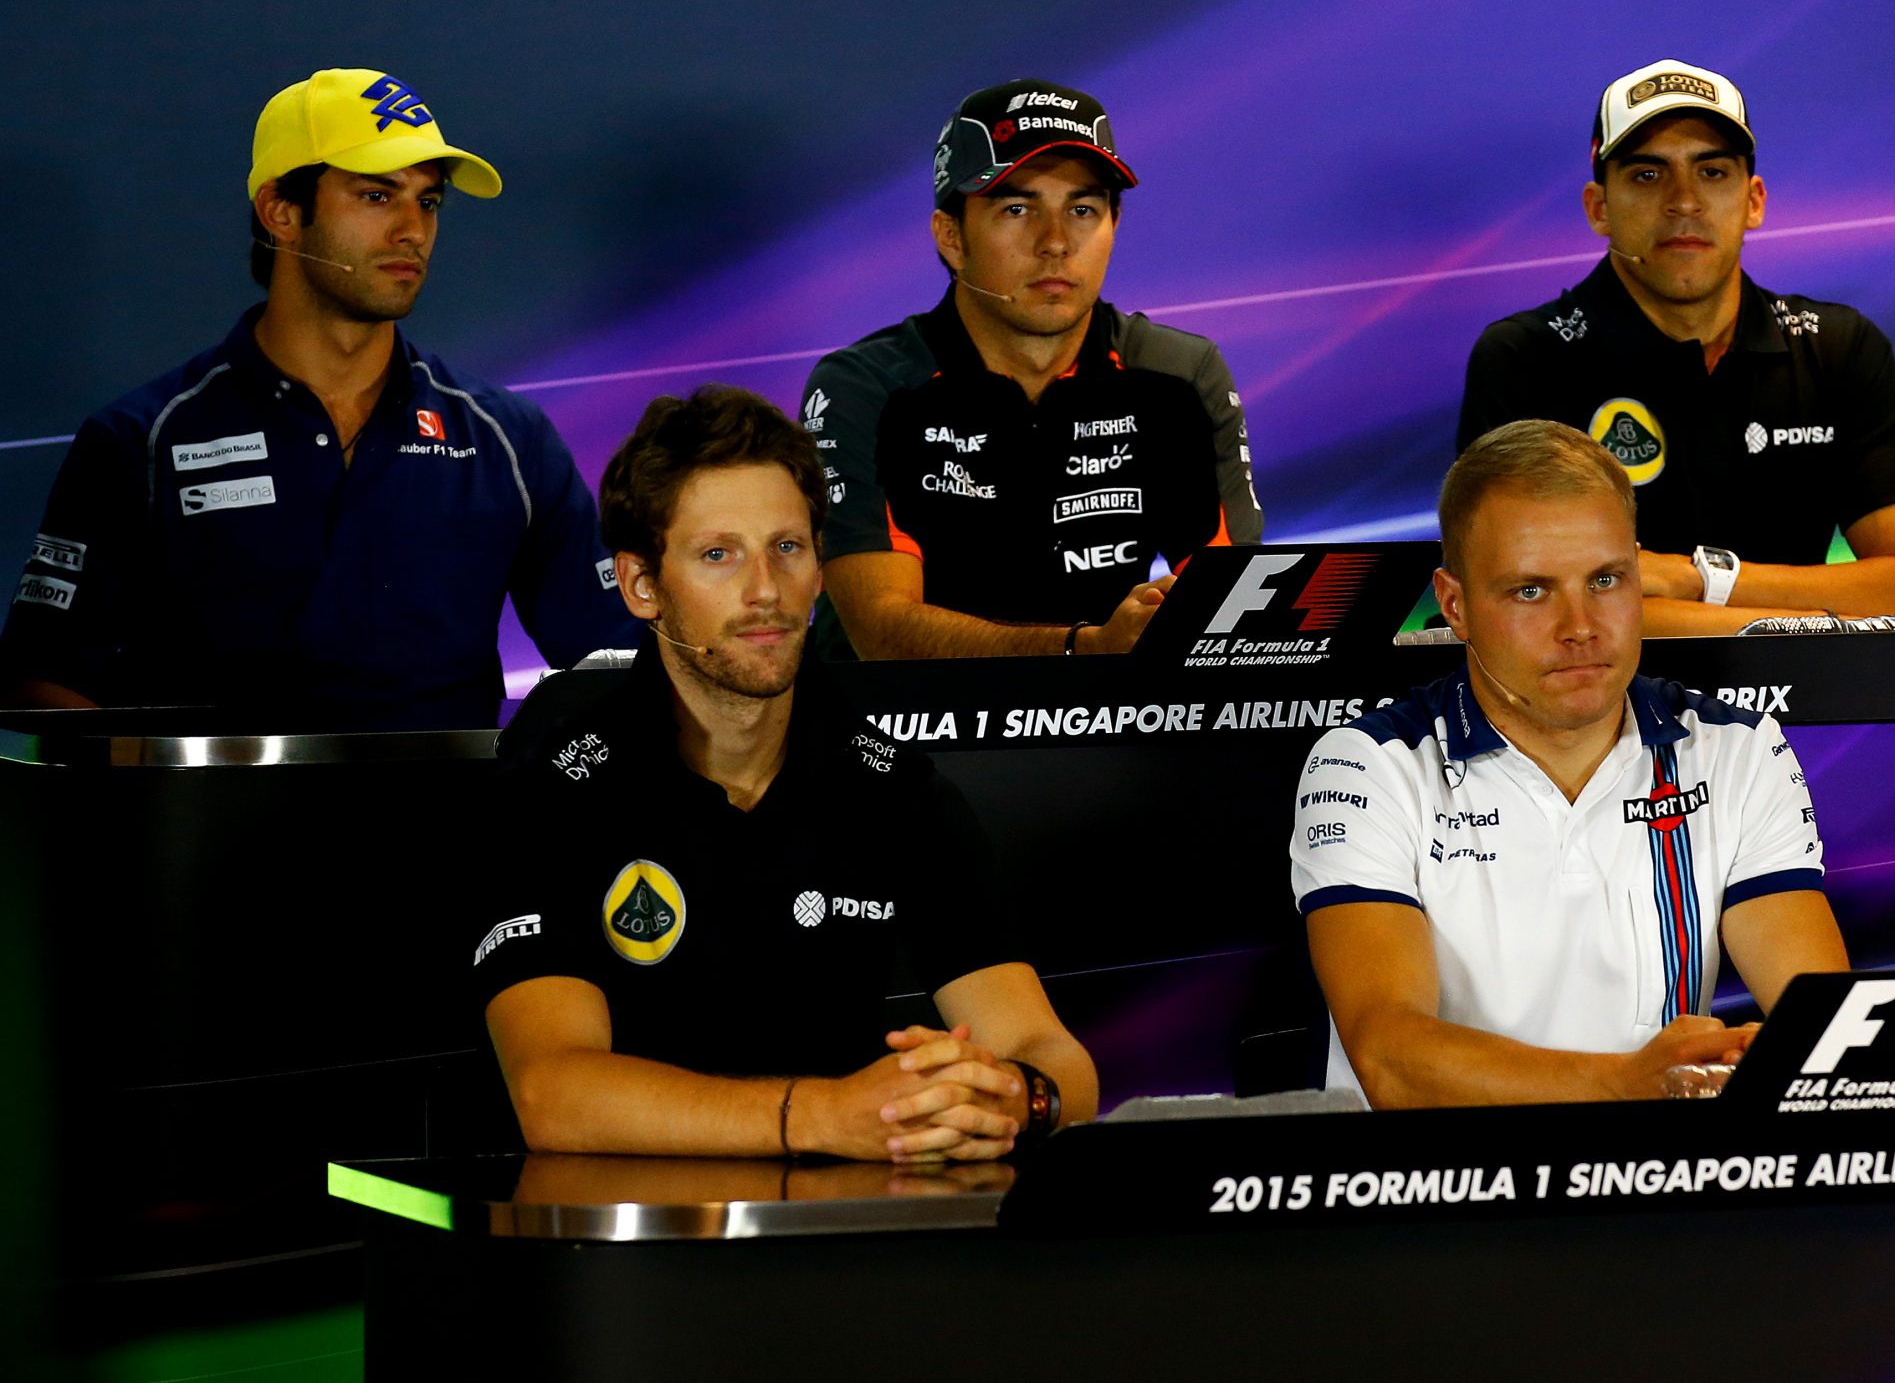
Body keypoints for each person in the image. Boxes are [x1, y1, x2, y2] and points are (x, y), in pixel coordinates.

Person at [471, 385, 1096, 1159]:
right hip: (624, 1256)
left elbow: (1052, 1050)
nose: (765, 590)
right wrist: (829, 1115)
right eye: (718, 554)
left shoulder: (893, 786)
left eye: (788, 547)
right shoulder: (554, 786)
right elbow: (552, 1095)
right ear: (640, 585)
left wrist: (1012, 1098)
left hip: (848, 1247)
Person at [0, 67, 637, 729]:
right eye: (375, 195)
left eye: (429, 201)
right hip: (206, 831)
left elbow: (619, 664)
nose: (412, 230)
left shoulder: (508, 439)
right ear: (281, 210)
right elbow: (40, 689)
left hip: (452, 833)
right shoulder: (141, 441)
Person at [1287, 418, 1850, 1107]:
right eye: (1531, 590)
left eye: (1606, 579)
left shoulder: (1736, 749)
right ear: (1455, 605)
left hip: (1658, 1194)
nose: (1579, 625)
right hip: (1435, 1199)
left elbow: (1822, 1030)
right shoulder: (1366, 767)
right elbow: (1390, 1058)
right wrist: (1625, 1084)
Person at [1456, 59, 1895, 661]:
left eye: (1712, 171)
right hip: (1591, 730)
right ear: (1598, 208)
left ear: (1754, 199)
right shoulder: (1526, 358)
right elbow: (1532, 615)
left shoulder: (1838, 347)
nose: (1684, 201)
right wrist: (1848, 627)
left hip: (1800, 728)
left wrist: (1699, 578)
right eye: (1646, 175)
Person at [801, 79, 1260, 659]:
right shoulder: (863, 389)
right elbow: (882, 636)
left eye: (1083, 209)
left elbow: (1239, 604)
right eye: (1017, 208)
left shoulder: (1181, 376)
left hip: (1111, 732)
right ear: (951, 236)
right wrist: (1083, 651)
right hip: (904, 738)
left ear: (1114, 226)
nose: (1056, 242)